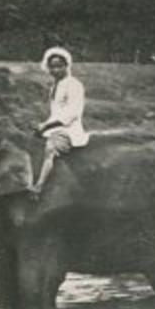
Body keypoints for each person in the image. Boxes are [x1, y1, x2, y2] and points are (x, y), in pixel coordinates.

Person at [31, 46, 88, 196]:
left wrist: (47, 125)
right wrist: (43, 125)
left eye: (59, 66)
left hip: (69, 128)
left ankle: (39, 186)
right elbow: (56, 112)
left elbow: (71, 113)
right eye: (52, 67)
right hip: (55, 126)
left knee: (51, 148)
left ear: (66, 66)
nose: (55, 70)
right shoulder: (56, 86)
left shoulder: (74, 84)